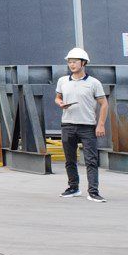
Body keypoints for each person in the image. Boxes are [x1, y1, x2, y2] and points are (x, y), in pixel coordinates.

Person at [54, 48, 108, 202]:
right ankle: (73, 187)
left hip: (87, 126)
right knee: (70, 159)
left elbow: (104, 104)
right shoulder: (63, 81)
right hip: (68, 125)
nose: (72, 65)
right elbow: (57, 97)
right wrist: (60, 103)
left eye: (75, 62)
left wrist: (101, 124)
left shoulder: (94, 83)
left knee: (91, 160)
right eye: (69, 62)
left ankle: (93, 191)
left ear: (83, 63)